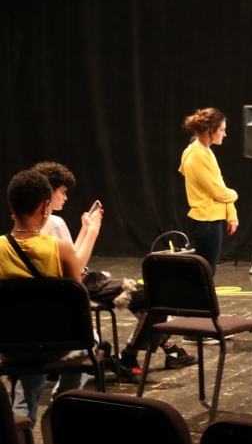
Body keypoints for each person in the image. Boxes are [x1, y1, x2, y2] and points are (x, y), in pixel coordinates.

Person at [31, 162, 197, 381]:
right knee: (151, 297)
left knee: (145, 298)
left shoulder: (46, 222)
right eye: (62, 192)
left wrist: (85, 229)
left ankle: (168, 346)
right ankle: (130, 355)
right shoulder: (53, 222)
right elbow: (75, 267)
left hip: (78, 281)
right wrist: (93, 231)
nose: (65, 197)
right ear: (48, 193)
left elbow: (70, 255)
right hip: (79, 285)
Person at [1, 170, 84, 427]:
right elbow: (79, 301)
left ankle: (22, 421)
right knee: (89, 342)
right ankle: (60, 408)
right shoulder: (61, 248)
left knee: (27, 356)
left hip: (9, 344)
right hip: (58, 342)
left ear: (12, 206)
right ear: (45, 206)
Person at [179, 107, 238, 274]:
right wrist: (235, 195)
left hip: (212, 219)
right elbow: (218, 191)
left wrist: (231, 214)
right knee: (204, 272)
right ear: (208, 131)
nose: (224, 134)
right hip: (205, 221)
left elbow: (220, 186)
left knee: (207, 271)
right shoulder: (196, 154)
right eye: (221, 130)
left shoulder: (206, 152)